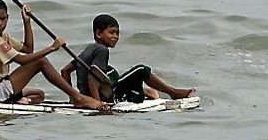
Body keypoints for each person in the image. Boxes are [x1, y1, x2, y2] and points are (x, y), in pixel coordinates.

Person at [0, 0, 107, 110]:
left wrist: (27, 22)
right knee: (41, 61)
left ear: (8, 17)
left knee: (39, 95)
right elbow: (21, 60)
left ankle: (18, 101)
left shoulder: (2, 36)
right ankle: (77, 97)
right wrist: (51, 48)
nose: (1, 23)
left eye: (3, 18)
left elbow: (28, 49)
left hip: (3, 87)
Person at [60, 14, 195, 103]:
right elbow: (92, 77)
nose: (116, 37)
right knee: (141, 69)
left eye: (118, 33)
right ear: (98, 33)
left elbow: (65, 71)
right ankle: (173, 92)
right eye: (111, 32)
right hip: (103, 97)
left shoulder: (89, 49)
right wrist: (97, 103)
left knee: (110, 71)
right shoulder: (102, 50)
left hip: (91, 94)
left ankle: (145, 92)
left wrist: (73, 97)